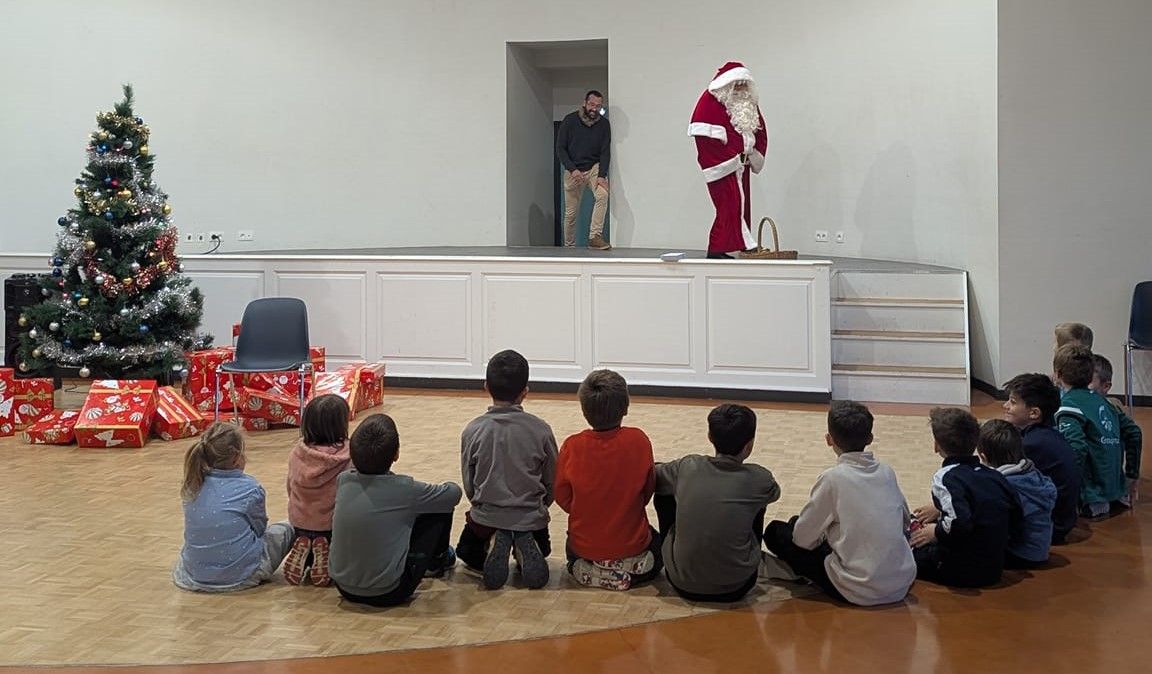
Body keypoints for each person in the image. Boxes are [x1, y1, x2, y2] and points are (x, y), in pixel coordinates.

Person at [763, 401, 916, 606]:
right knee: (801, 522)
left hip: (857, 588)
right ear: (870, 438)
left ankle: (792, 573)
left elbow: (801, 540)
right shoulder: (887, 471)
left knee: (776, 532)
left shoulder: (832, 479)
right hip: (901, 581)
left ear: (829, 439)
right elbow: (904, 521)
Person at [329, 414, 461, 607]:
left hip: (343, 586)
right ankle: (437, 561)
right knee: (438, 509)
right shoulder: (406, 489)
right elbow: (453, 494)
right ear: (396, 454)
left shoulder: (343, 481)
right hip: (390, 591)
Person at [654, 403, 780, 602]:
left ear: (710, 437)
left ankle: (677, 550)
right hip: (738, 586)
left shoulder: (687, 467)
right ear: (750, 445)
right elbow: (774, 493)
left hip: (680, 582)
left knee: (664, 492)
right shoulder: (760, 478)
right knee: (757, 504)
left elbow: (655, 476)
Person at [456, 349, 558, 590]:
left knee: (467, 553)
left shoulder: (473, 431)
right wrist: (541, 505)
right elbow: (552, 479)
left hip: (486, 517)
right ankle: (524, 543)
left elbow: (469, 484)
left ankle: (493, 538)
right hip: (531, 517)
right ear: (525, 392)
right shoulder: (541, 430)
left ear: (486, 387)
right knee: (541, 550)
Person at [555, 369, 660, 590]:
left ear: (584, 410)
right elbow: (647, 490)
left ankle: (592, 568)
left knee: (572, 550)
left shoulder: (572, 446)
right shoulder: (638, 441)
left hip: (585, 545)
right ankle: (627, 567)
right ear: (626, 407)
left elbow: (562, 497)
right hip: (632, 542)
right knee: (658, 547)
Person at [172, 423, 294, 592]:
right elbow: (259, 529)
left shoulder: (193, 484)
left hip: (195, 576)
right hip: (242, 577)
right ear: (237, 457)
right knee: (287, 528)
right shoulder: (251, 488)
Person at [911, 408, 1021, 588]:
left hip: (963, 571)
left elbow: (959, 524)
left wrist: (935, 532)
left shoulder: (945, 478)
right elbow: (1016, 512)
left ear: (936, 445)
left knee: (908, 548)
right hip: (995, 566)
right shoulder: (994, 475)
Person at [688, 61, 768, 259]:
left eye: (744, 84)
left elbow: (761, 132)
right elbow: (704, 135)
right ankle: (718, 249)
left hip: (743, 165)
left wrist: (753, 153)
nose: (740, 88)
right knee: (728, 207)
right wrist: (728, 157)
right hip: (723, 165)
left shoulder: (748, 104)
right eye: (736, 84)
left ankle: (736, 246)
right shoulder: (710, 100)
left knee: (739, 207)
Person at [1053, 345, 1139, 517]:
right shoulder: (1107, 403)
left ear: (1058, 375)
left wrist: (1066, 491)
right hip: (1118, 489)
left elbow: (1076, 448)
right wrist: (1131, 475)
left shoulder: (1068, 406)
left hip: (1092, 497)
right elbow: (1134, 433)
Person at [1002, 373, 1082, 544]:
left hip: (1052, 527)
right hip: (1063, 520)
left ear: (1034, 413)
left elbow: (998, 481)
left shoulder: (1032, 445)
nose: (1005, 406)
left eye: (1013, 402)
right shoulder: (1047, 435)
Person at [282, 394, 353, 587]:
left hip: (300, 522)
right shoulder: (349, 455)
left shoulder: (298, 453)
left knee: (304, 535)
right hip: (332, 527)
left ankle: (306, 553)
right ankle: (326, 556)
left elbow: (290, 487)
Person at [977, 420, 1057, 568]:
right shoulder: (1032, 473)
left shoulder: (1004, 486)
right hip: (1040, 550)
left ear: (984, 457)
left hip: (1020, 554)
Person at [556, 90, 612, 250]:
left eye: (598, 106)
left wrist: (602, 175)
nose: (595, 109)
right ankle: (569, 247)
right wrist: (572, 169)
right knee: (571, 213)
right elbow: (560, 148)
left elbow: (605, 151)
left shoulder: (604, 125)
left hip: (594, 167)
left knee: (602, 195)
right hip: (573, 169)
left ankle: (595, 237)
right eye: (592, 104)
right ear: (584, 103)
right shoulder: (570, 120)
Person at [1090, 354, 1143, 505]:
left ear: (1105, 386)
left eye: (1087, 383)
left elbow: (1134, 433)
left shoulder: (1110, 408)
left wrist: (1131, 476)